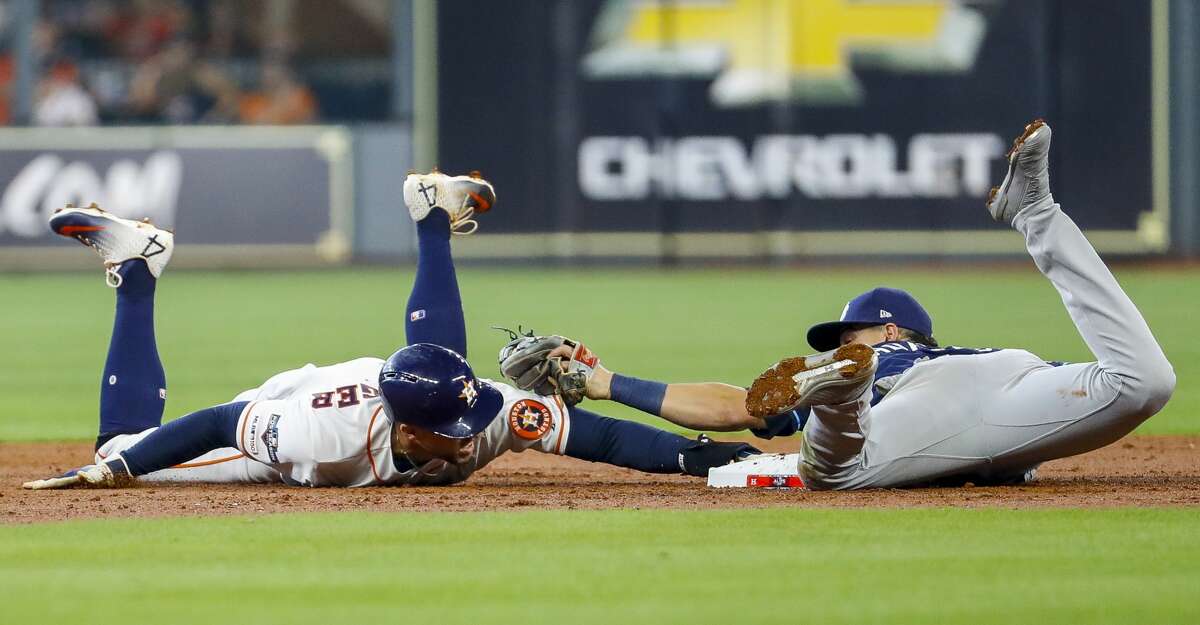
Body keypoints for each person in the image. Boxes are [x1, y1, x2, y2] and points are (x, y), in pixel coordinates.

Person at [537, 120, 1175, 490]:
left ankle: (841, 396)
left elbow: (734, 408)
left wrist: (606, 382)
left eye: (852, 335)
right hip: (1012, 376)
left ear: (892, 329)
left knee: (833, 475)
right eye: (842, 345)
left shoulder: (896, 360)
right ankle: (1036, 212)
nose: (843, 338)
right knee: (1145, 382)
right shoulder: (963, 352)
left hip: (914, 401)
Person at [23, 171, 755, 490]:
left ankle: (433, 215)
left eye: (471, 414)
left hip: (399, 375)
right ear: (407, 434)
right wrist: (115, 471)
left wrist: (702, 460)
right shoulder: (317, 434)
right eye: (453, 427)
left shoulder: (484, 408)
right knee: (120, 448)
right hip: (296, 411)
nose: (474, 428)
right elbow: (220, 420)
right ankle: (141, 269)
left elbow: (604, 439)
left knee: (451, 367)